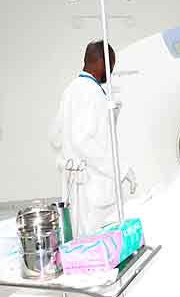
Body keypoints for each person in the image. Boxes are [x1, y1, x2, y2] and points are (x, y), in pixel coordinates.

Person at [49, 40, 137, 237]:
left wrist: (110, 116)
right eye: (111, 65)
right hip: (92, 184)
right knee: (95, 240)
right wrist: (121, 169)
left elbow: (55, 135)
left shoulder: (71, 89)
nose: (111, 71)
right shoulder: (91, 93)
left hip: (75, 180)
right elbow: (84, 141)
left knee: (79, 234)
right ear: (100, 62)